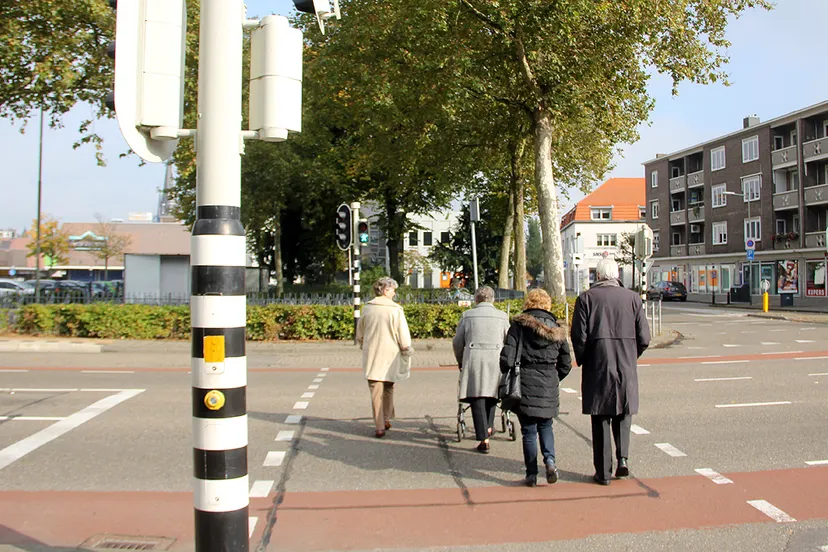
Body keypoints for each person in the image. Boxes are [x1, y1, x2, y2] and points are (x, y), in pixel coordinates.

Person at [571, 258, 650, 486]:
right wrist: (630, 355)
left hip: (598, 364)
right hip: (625, 364)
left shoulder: (586, 299)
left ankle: (603, 472)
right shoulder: (633, 298)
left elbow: (579, 336)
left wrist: (585, 359)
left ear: (598, 275)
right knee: (624, 412)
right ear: (616, 275)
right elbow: (644, 337)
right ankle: (623, 458)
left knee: (601, 417)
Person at [500, 288, 572, 487]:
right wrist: (555, 377)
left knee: (528, 430)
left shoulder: (518, 325)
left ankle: (531, 474)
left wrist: (509, 372)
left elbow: (506, 357)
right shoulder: (557, 329)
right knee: (546, 425)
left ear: (528, 304)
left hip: (524, 381)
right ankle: (550, 462)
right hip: (548, 380)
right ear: (547, 305)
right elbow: (566, 362)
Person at [452, 286, 510, 453]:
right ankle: (489, 426)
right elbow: (509, 339)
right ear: (493, 299)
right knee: (492, 393)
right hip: (496, 359)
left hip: (474, 359)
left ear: (476, 299)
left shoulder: (467, 316)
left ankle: (483, 437)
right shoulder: (502, 316)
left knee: (477, 396)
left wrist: (460, 359)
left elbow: (457, 342)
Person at [356, 276, 413, 438]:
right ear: (386, 290)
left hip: (373, 353)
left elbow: (360, 333)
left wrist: (363, 345)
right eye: (393, 289)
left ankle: (379, 426)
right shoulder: (395, 310)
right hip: (391, 355)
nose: (395, 293)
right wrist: (406, 349)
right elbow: (403, 335)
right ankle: (386, 418)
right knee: (388, 386)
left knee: (375, 389)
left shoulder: (367, 308)